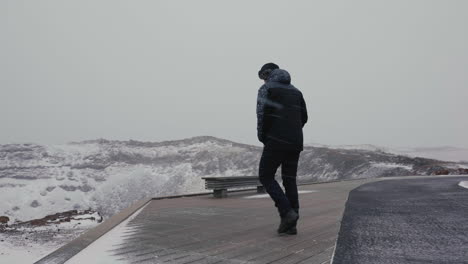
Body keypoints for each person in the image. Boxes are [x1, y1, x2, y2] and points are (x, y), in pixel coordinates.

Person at [256, 63, 308, 235]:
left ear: (267, 74)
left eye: (263, 77)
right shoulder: (296, 91)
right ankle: (291, 225)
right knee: (289, 180)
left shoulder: (267, 89)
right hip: (295, 141)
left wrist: (264, 136)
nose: (263, 81)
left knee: (265, 175)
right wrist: (292, 130)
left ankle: (287, 213)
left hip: (276, 140)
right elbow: (304, 117)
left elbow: (262, 116)